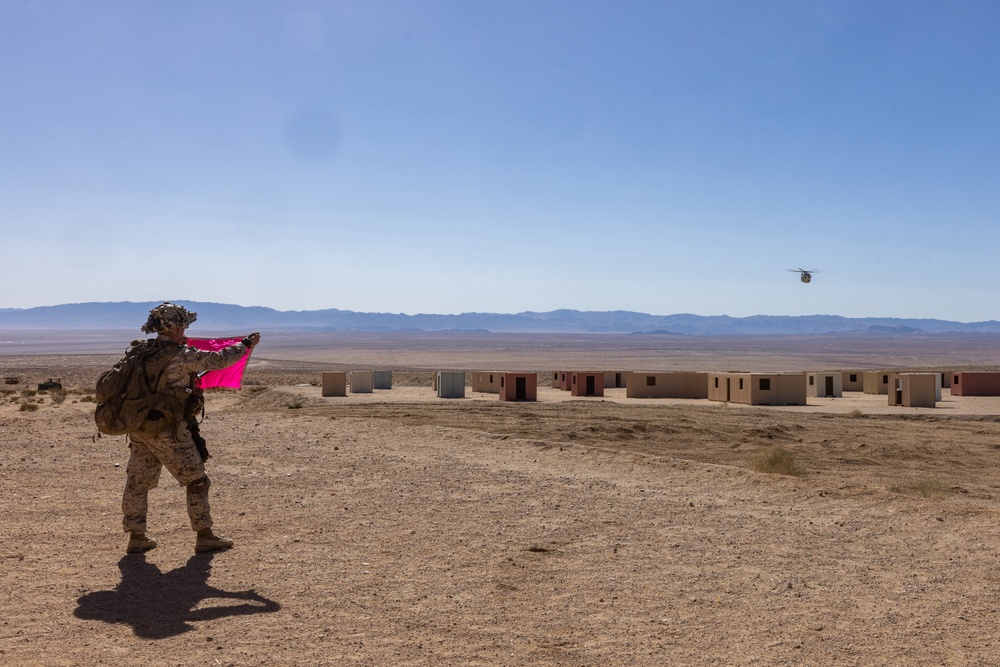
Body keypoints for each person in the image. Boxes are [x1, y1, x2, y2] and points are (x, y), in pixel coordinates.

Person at [122, 302, 260, 554]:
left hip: (140, 428)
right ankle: (205, 535)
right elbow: (218, 360)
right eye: (183, 324)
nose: (185, 329)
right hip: (168, 430)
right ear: (173, 326)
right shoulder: (179, 355)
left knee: (138, 483)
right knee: (197, 480)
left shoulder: (141, 353)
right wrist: (246, 345)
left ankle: (136, 536)